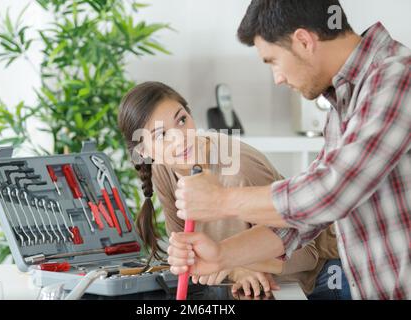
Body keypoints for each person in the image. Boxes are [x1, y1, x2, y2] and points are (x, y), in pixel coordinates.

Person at [168, 0, 410, 300]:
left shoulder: (398, 76)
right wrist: (221, 255)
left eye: (272, 61)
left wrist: (220, 200)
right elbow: (305, 220)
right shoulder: (343, 106)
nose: (277, 78)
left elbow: (331, 191)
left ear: (304, 41)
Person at [118, 81, 351, 299]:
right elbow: (190, 253)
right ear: (143, 152)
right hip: (262, 286)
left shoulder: (239, 170)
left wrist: (235, 263)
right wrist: (231, 266)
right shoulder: (163, 170)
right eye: (162, 135)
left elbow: (307, 256)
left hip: (326, 275)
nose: (181, 139)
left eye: (181, 120)